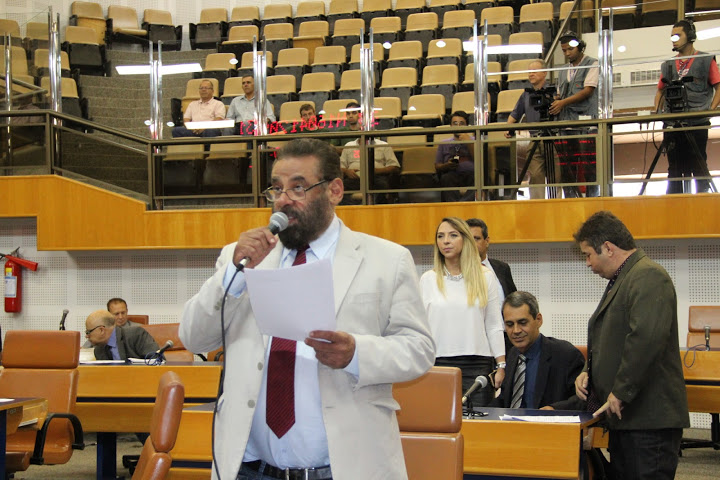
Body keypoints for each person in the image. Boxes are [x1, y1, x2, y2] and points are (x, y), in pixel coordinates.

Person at [179, 138, 435, 480]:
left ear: (335, 190)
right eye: (277, 188)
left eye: (298, 188)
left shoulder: (386, 260)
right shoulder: (240, 259)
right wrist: (234, 276)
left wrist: (357, 353)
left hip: (344, 467)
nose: (283, 200)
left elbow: (419, 350)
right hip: (249, 469)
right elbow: (194, 338)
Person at [573, 211, 689, 480]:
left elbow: (646, 339)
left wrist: (620, 391)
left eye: (588, 255)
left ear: (609, 248)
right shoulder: (626, 278)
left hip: (648, 421)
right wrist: (588, 372)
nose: (588, 263)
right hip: (629, 420)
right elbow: (612, 339)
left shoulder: (648, 276)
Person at [420, 217, 505, 407]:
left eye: (452, 235)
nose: (445, 241)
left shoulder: (485, 277)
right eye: (440, 236)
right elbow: (420, 328)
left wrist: (501, 365)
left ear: (465, 239)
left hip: (478, 366)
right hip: (437, 364)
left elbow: (493, 325)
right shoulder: (428, 279)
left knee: (478, 428)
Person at [654, 19, 720, 194]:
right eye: (672, 36)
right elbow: (660, 91)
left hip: (697, 121)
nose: (673, 39)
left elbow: (718, 86)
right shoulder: (667, 65)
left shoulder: (705, 60)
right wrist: (659, 113)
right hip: (672, 123)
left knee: (698, 162)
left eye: (677, 35)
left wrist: (710, 111)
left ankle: (703, 199)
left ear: (690, 36)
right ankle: (675, 202)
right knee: (674, 165)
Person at [494, 291, 585, 410]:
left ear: (538, 320)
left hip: (548, 426)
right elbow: (506, 400)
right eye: (510, 324)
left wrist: (553, 409)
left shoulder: (565, 354)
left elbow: (582, 400)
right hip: (511, 426)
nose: (516, 330)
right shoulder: (513, 354)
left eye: (522, 323)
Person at [550, 32, 599, 198]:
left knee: (589, 164)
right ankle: (570, 197)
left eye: (570, 49)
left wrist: (562, 103)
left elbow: (587, 91)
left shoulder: (592, 63)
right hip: (566, 124)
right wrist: (555, 101)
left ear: (580, 47)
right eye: (564, 50)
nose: (567, 53)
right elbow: (559, 93)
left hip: (586, 124)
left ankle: (593, 196)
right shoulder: (563, 70)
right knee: (567, 165)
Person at [505, 60, 559, 199]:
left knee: (556, 176)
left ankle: (557, 204)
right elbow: (515, 114)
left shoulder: (554, 91)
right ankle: (537, 205)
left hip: (553, 138)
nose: (531, 74)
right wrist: (508, 128)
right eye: (529, 72)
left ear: (544, 73)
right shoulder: (526, 95)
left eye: (534, 71)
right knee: (535, 175)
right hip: (534, 138)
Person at [465, 218, 516, 300]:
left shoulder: (502, 268)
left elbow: (513, 302)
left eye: (476, 238)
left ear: (487, 241)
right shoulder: (456, 271)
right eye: (468, 239)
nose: (471, 243)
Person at [339, 138, 400, 204]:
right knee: (341, 187)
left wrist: (376, 171)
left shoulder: (383, 145)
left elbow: (394, 167)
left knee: (382, 185)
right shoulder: (349, 145)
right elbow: (340, 167)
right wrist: (347, 171)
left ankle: (375, 208)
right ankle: (352, 209)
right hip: (354, 177)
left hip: (376, 177)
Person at [85, 310, 159, 360]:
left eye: (88, 332)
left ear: (101, 330)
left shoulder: (136, 334)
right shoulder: (99, 350)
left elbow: (157, 360)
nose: (87, 336)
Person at [435, 111, 475, 202]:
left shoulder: (475, 140)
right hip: (452, 174)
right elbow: (437, 166)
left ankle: (462, 203)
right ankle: (453, 206)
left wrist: (469, 142)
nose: (458, 126)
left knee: (480, 179)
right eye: (455, 123)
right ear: (451, 126)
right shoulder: (443, 143)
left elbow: (480, 160)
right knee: (446, 178)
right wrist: (447, 165)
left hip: (471, 174)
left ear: (467, 126)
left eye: (462, 124)